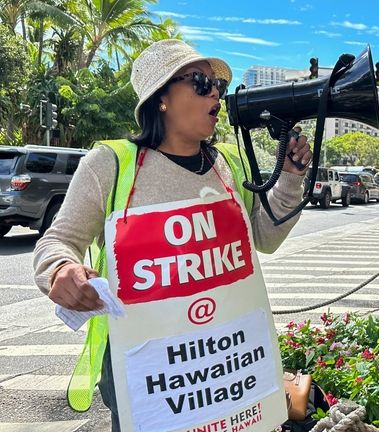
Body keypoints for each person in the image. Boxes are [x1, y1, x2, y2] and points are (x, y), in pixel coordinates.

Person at [32, 39, 311, 431]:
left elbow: (265, 238)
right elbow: (57, 239)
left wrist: (289, 180)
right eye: (200, 82)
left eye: (218, 85)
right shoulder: (111, 165)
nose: (215, 92)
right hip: (152, 378)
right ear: (160, 98)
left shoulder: (229, 162)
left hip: (231, 365)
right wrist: (60, 269)